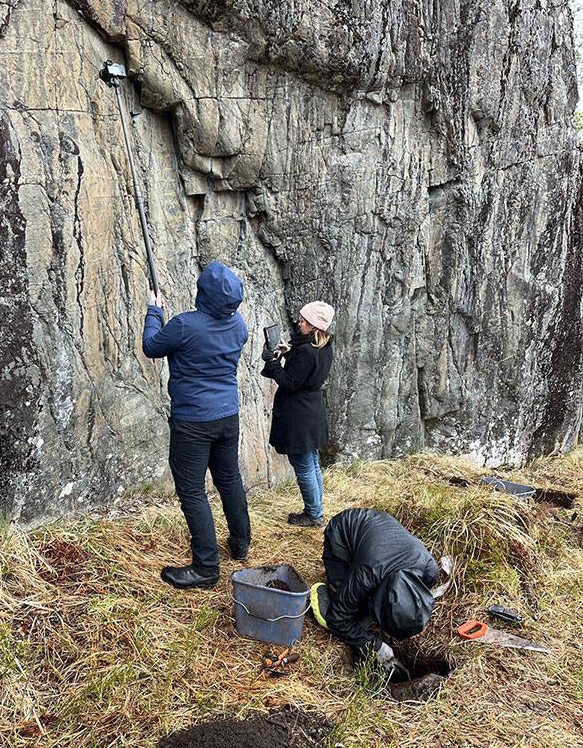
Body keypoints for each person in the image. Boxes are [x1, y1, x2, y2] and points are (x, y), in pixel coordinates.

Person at [142, 262, 251, 590]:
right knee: (229, 479)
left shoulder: (184, 325)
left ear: (203, 293)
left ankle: (206, 567)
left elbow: (152, 347)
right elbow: (202, 334)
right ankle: (241, 542)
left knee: (192, 490)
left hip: (193, 421)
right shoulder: (239, 326)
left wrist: (153, 311)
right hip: (227, 417)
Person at [311, 508, 439, 669]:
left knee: (357, 600)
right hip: (342, 529)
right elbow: (337, 618)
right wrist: (375, 647)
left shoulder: (429, 571)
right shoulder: (366, 575)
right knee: (343, 598)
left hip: (381, 528)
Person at [261, 301, 334, 528]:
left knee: (304, 466)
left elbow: (290, 383)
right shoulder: (323, 346)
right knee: (312, 463)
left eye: (303, 321)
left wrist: (272, 361)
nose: (299, 323)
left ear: (313, 327)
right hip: (312, 411)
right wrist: (289, 352)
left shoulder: (305, 351)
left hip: (299, 416)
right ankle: (316, 509)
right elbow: (307, 369)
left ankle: (314, 515)